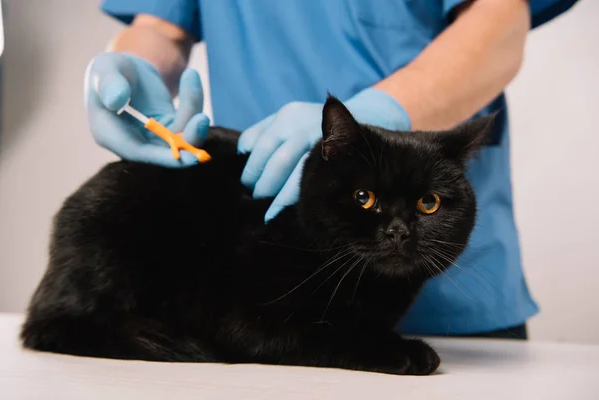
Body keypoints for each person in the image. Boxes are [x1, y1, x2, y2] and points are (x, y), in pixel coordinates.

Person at [86, 0, 578, 339]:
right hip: (269, 285)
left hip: (449, 305)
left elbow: (498, 23)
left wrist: (385, 113)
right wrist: (127, 68)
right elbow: (159, 26)